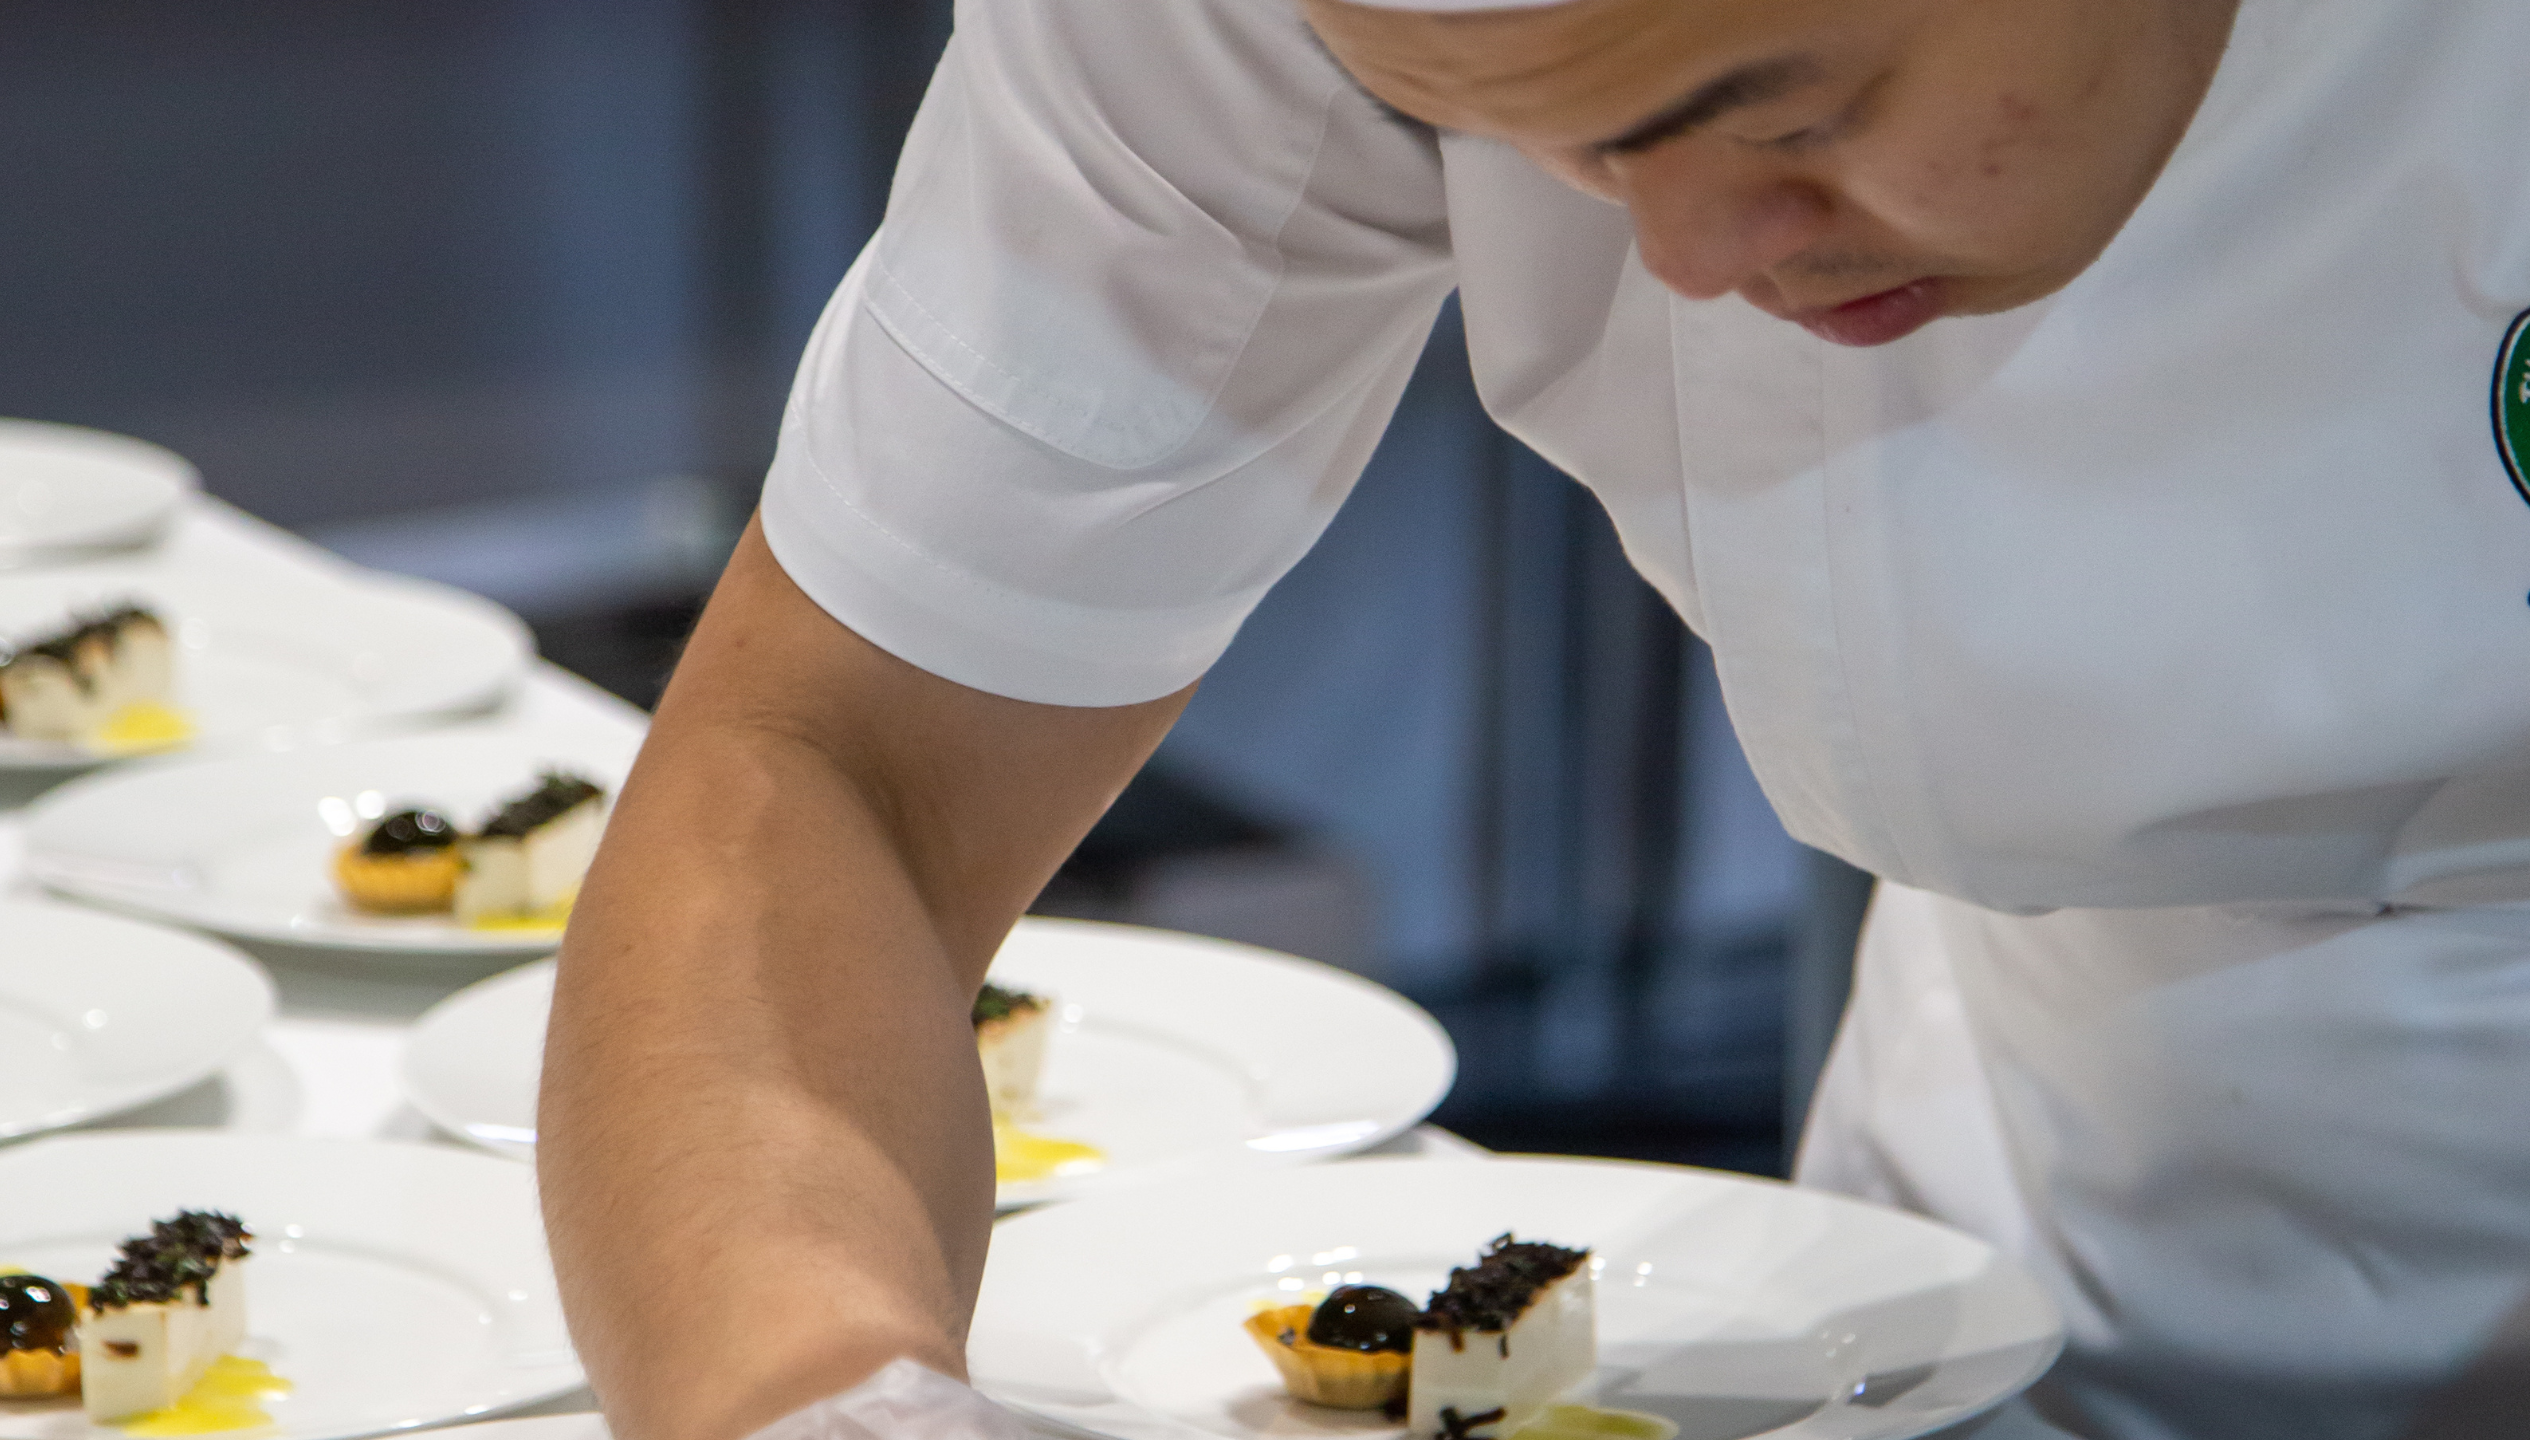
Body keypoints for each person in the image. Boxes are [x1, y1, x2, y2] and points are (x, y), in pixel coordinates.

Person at [535, 0, 2530, 1436]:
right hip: (2021, 1262)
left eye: (1778, 105)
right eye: (1553, 152)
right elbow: (828, 775)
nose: (1675, 256)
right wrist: (820, 1399)